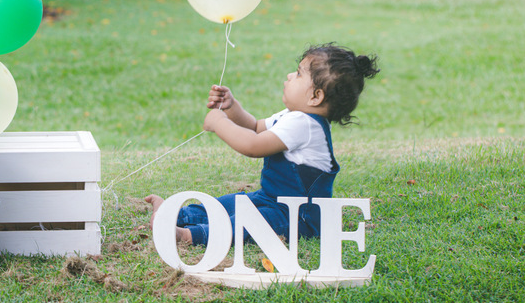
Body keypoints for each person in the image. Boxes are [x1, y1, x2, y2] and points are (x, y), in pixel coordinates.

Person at [146, 43, 379, 246]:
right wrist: (232, 107)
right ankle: (174, 214)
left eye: (298, 74)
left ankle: (187, 235)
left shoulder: (305, 125)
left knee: (250, 222)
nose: (289, 76)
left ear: (315, 97)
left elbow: (254, 146)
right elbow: (256, 127)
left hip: (298, 218)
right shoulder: (294, 116)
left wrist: (219, 123)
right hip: (272, 199)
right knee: (231, 203)